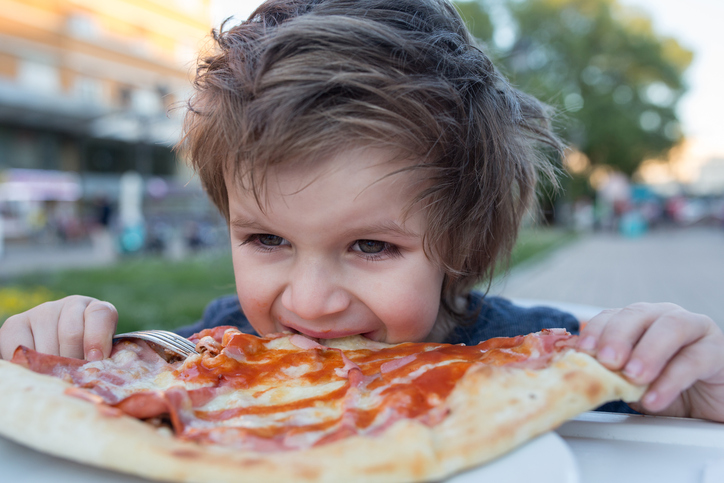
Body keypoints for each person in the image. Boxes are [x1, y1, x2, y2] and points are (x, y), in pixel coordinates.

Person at [1, 0, 723, 422]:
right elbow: (89, 405)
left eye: (371, 246)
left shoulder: (542, 362)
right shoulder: (204, 356)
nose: (310, 301)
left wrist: (690, 387)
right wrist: (53, 356)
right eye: (268, 238)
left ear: (462, 245)